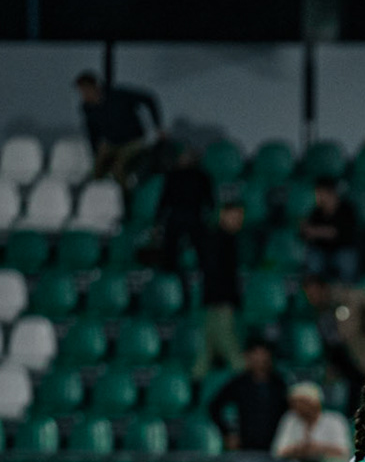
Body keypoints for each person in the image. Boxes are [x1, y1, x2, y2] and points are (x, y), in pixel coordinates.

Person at [75, 70, 162, 186]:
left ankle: (123, 195)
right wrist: (96, 150)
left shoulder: (118, 96)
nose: (84, 95)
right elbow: (92, 131)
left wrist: (158, 126)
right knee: (97, 169)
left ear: (94, 87)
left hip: (133, 141)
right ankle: (97, 194)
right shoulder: (87, 108)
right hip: (112, 143)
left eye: (86, 90)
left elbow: (148, 99)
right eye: (82, 92)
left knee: (118, 167)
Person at [209, 335, 289, 455]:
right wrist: (227, 433)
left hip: (276, 448)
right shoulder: (239, 383)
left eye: (263, 354)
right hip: (247, 448)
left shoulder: (279, 384)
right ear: (248, 356)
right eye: (255, 354)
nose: (259, 358)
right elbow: (214, 407)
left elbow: (288, 412)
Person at [197, 201, 247, 376]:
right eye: (234, 216)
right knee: (228, 345)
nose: (237, 221)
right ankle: (244, 378)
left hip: (214, 301)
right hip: (220, 303)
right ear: (223, 215)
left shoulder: (228, 239)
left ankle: (197, 380)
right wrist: (228, 301)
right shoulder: (217, 239)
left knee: (207, 349)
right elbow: (216, 274)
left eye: (240, 217)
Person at [272, 381, 352, 462]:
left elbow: (344, 451)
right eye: (294, 403)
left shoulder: (335, 420)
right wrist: (299, 449)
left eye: (301, 402)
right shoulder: (290, 420)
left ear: (314, 403)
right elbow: (278, 451)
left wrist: (318, 449)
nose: (296, 407)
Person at [157, 146, 214, 276]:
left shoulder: (177, 176)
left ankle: (171, 272)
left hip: (184, 217)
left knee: (174, 246)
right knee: (196, 247)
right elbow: (210, 201)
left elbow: (164, 201)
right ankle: (173, 274)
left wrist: (158, 218)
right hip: (190, 217)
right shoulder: (201, 176)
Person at [302, 177, 361, 283]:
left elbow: (336, 232)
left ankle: (347, 288)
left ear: (330, 193)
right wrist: (312, 231)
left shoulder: (346, 209)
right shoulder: (317, 212)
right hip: (323, 251)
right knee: (313, 257)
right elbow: (307, 232)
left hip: (343, 250)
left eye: (320, 193)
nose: (318, 197)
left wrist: (316, 231)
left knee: (347, 259)